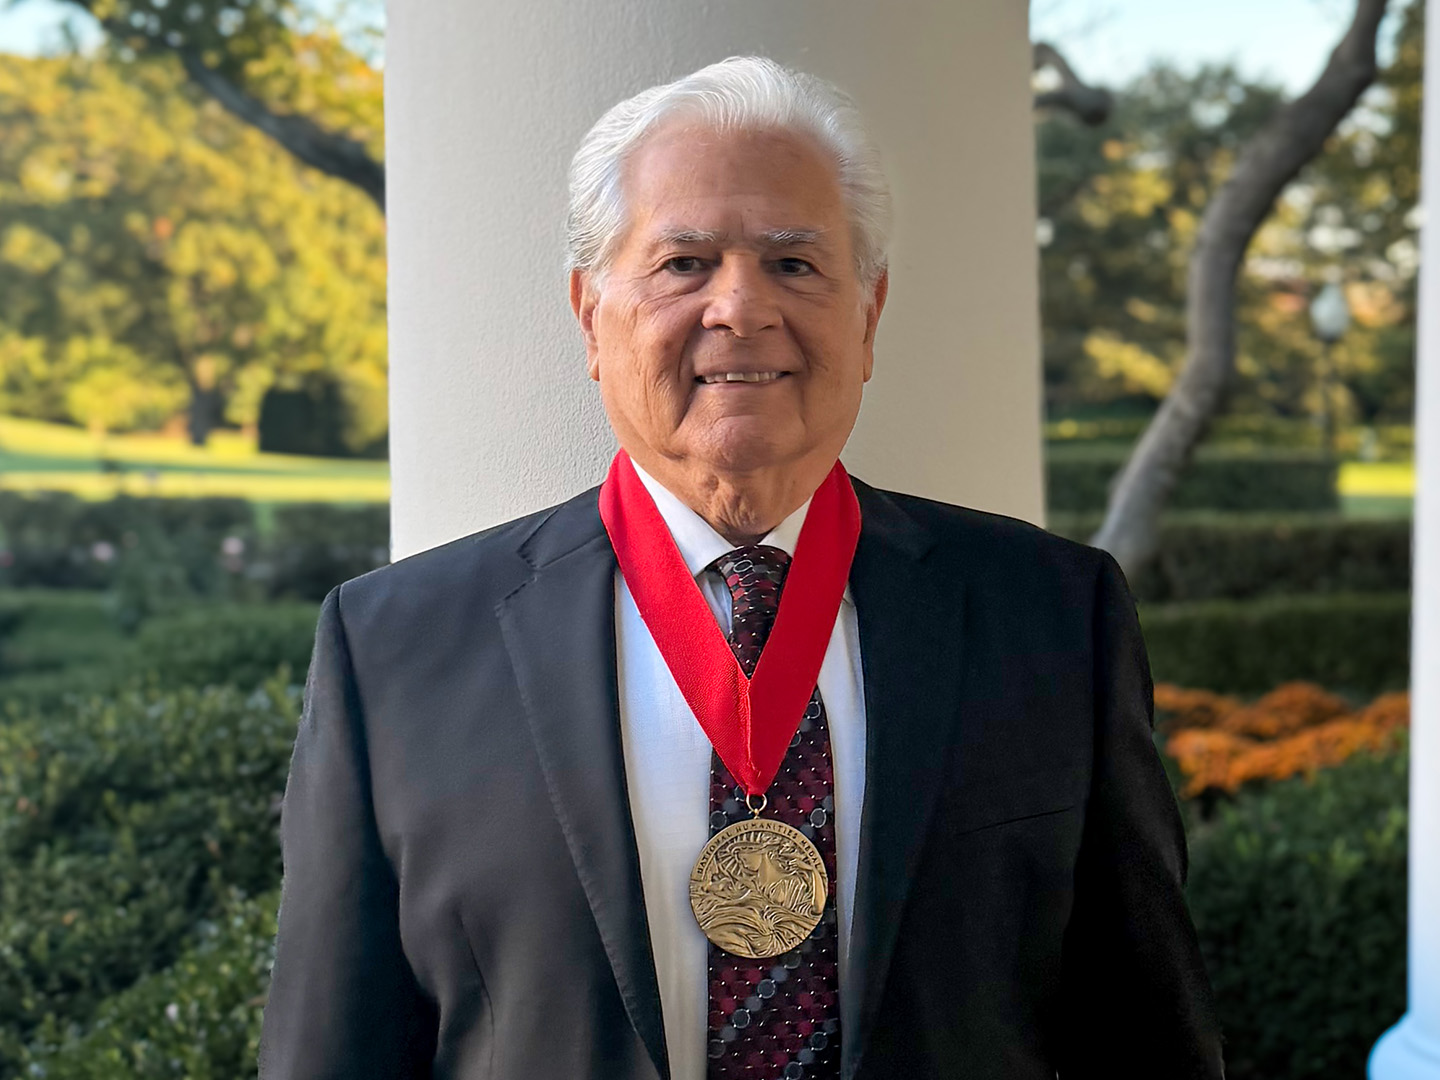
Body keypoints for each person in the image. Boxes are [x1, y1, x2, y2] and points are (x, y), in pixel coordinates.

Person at [258, 56, 1224, 1080]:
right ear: (590, 314)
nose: (741, 307)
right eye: (684, 263)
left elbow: (1146, 1035)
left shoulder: (1051, 615)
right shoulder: (395, 647)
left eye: (795, 264)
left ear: (870, 314)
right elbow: (333, 1050)